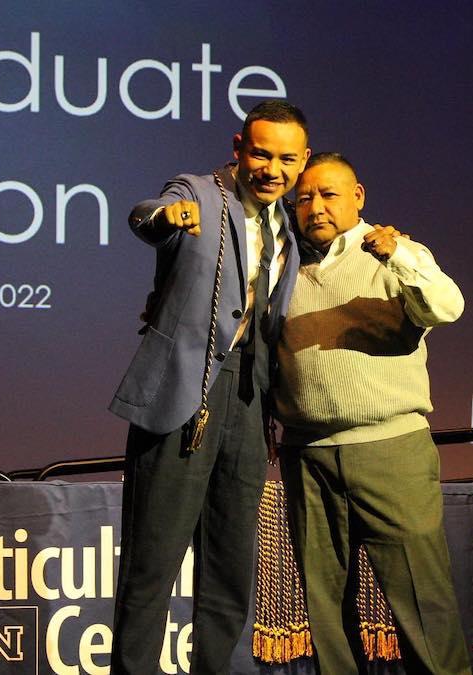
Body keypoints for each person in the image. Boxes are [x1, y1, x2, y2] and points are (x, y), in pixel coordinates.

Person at [108, 100, 311, 674]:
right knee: (152, 563)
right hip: (184, 392)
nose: (273, 168)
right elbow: (148, 214)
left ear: (303, 161)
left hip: (249, 400)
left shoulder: (288, 227)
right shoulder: (198, 193)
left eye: (287, 159)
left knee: (228, 569)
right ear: (238, 147)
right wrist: (164, 219)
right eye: (262, 153)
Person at [274, 152, 470, 674]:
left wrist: (398, 253)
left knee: (422, 607)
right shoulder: (282, 265)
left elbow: (447, 308)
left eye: (328, 194)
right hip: (307, 454)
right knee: (326, 615)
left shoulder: (392, 252)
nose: (314, 206)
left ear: (358, 196)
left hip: (390, 451)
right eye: (304, 198)